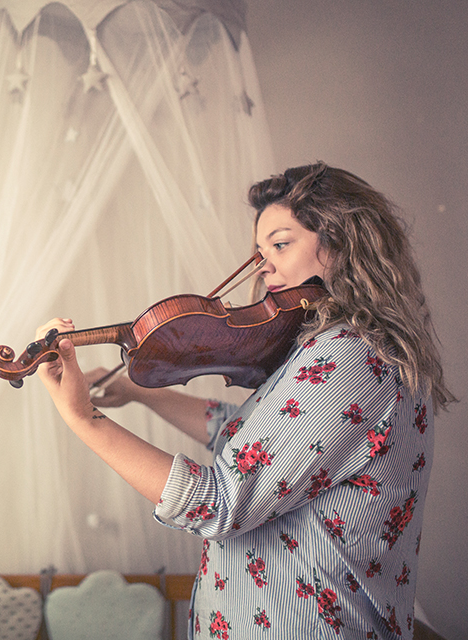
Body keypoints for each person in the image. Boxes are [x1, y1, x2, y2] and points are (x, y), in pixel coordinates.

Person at [35, 163, 454, 639]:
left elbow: (221, 501)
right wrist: (136, 392)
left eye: (280, 244)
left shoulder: (351, 356)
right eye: (260, 251)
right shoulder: (327, 344)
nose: (264, 265)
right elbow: (245, 436)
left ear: (340, 241)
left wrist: (83, 418)